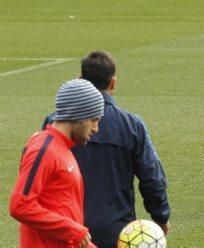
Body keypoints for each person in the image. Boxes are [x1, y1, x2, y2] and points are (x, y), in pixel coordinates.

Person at [42, 51, 171, 248]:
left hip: (68, 230)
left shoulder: (57, 123)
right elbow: (152, 177)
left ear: (80, 80)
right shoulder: (131, 125)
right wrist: (161, 217)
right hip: (116, 232)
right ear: (113, 83)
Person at [10, 79, 104, 248]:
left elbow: (62, 210)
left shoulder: (64, 149)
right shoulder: (43, 149)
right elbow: (20, 205)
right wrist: (72, 229)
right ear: (79, 115)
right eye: (94, 119)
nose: (96, 128)